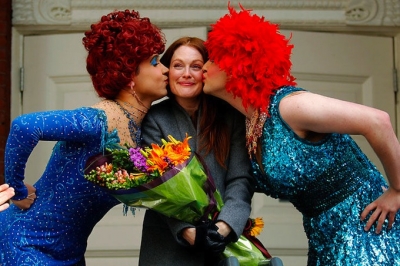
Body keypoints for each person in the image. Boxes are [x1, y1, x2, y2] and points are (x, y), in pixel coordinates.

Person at [202, 4, 400, 266]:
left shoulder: (289, 106)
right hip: (322, 236)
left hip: (366, 227)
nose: (204, 67)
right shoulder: (250, 124)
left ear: (239, 64)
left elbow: (378, 121)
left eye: (214, 59)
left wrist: (397, 189)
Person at [0, 9, 168, 265]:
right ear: (129, 72)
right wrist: (17, 189)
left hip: (70, 255)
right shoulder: (98, 120)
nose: (165, 69)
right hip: (26, 244)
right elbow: (24, 127)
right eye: (156, 61)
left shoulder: (141, 130)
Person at [138, 36, 254, 266]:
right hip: (167, 244)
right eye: (178, 65)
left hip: (224, 242)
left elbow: (240, 179)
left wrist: (225, 226)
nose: (186, 73)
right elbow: (158, 186)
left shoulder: (230, 116)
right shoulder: (153, 119)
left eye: (196, 66)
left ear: (207, 72)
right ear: (167, 71)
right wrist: (187, 230)